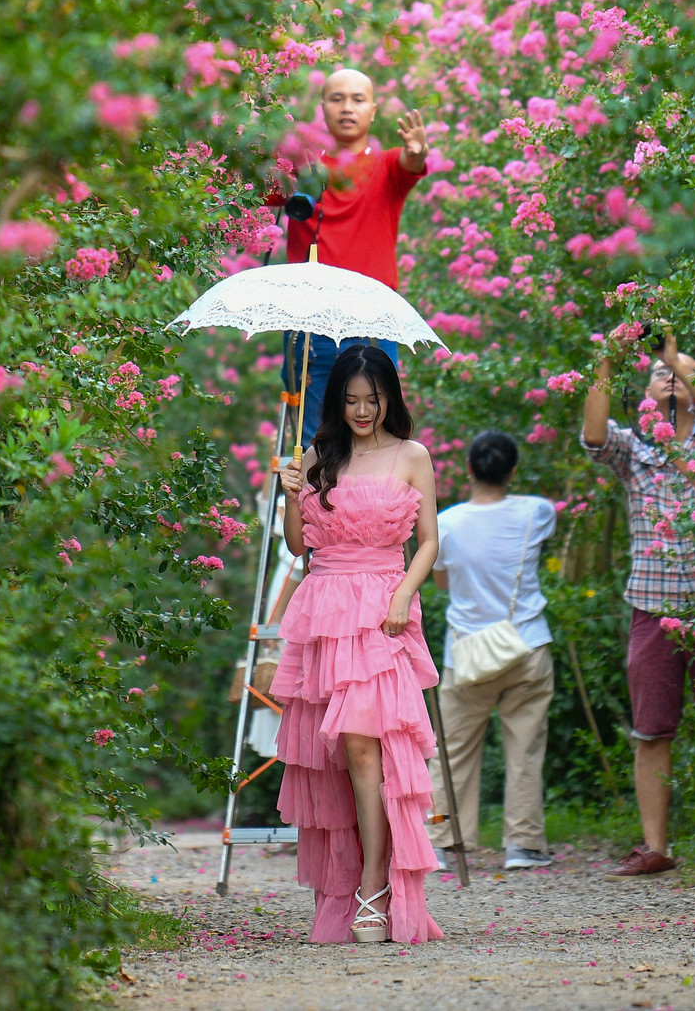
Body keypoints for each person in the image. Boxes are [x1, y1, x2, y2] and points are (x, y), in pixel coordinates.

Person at [270, 345, 444, 943]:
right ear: (336, 402)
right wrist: (291, 492)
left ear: (390, 398)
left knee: (369, 749)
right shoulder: (318, 456)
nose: (363, 411)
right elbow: (299, 546)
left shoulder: (412, 455)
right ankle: (354, 883)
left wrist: (403, 595)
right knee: (340, 756)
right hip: (325, 609)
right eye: (351, 401)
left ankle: (375, 881)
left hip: (383, 611)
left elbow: (428, 542)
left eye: (373, 400)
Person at [580, 331, 695, 878]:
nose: (670, 375)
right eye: (659, 372)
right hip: (652, 608)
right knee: (651, 732)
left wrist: (672, 355)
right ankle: (655, 847)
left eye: (679, 370)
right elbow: (593, 435)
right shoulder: (635, 449)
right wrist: (606, 359)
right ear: (645, 393)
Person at [428, 431, 558, 872]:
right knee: (526, 748)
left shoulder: (446, 523)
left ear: (469, 469)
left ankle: (442, 840)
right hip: (527, 645)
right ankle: (524, 844)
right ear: (512, 471)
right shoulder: (537, 511)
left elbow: (441, 581)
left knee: (452, 751)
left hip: (467, 653)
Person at [281, 69, 431, 445]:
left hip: (371, 318)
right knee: (314, 439)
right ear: (323, 108)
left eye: (357, 99)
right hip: (310, 318)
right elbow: (253, 184)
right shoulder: (302, 169)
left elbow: (411, 162)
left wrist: (417, 151)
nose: (347, 107)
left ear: (373, 110)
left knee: (379, 434)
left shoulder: (385, 166)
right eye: (337, 99)